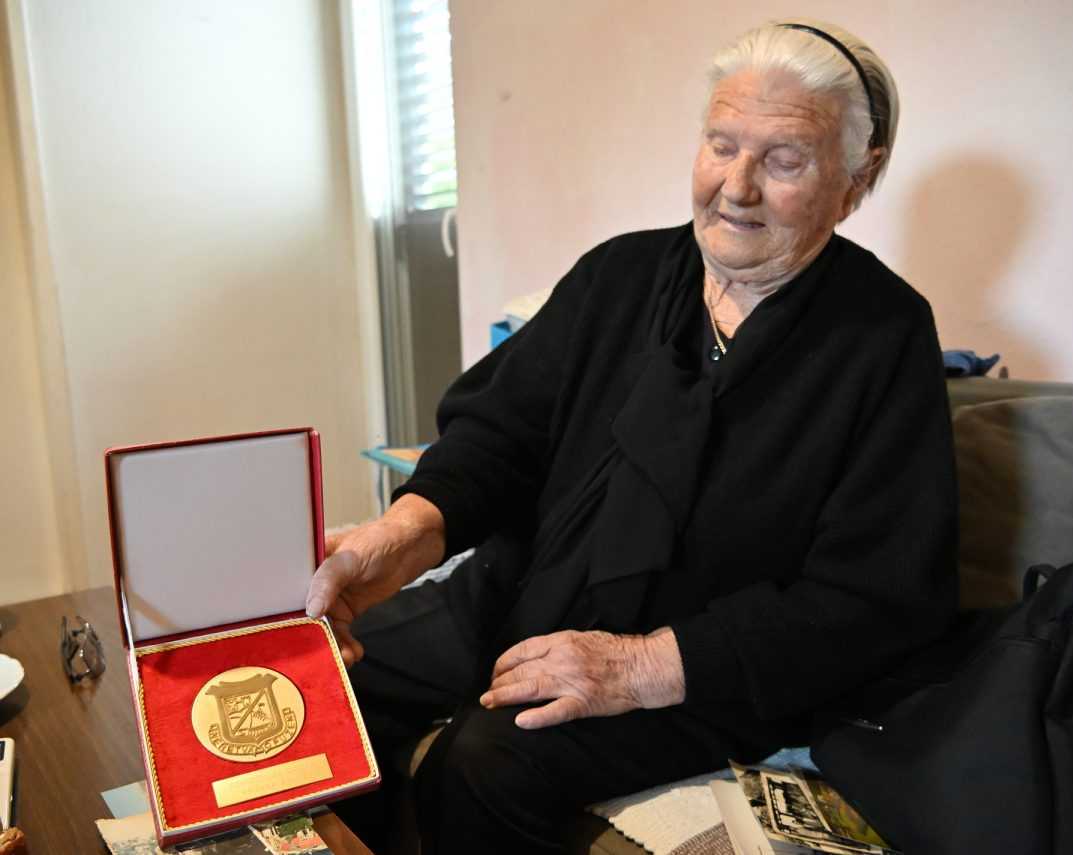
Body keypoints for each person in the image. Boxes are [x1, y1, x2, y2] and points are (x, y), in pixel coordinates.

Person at [306, 18, 957, 854]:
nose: (737, 187)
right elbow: (499, 434)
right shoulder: (619, 275)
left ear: (856, 179)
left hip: (701, 666)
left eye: (784, 160)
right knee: (318, 688)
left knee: (484, 761)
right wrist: (407, 530)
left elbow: (873, 597)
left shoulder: (884, 336)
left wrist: (640, 666)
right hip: (513, 597)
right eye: (721, 145)